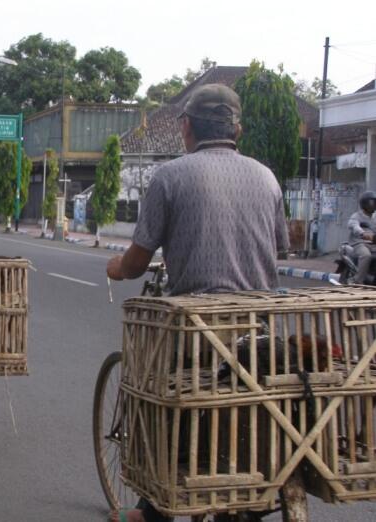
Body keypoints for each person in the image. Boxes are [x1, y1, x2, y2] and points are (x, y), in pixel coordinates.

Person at [106, 84, 289, 522]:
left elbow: (137, 260)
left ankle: (152, 508)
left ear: (186, 127)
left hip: (196, 331)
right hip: (256, 329)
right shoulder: (266, 177)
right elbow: (278, 248)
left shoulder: (171, 176)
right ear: (236, 129)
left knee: (152, 389)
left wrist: (115, 268)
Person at [347, 190, 376, 284]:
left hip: (373, 243)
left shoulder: (375, 216)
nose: (373, 205)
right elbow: (353, 225)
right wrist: (363, 233)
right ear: (365, 203)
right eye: (371, 202)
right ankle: (358, 281)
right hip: (359, 243)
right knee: (366, 255)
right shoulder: (357, 215)